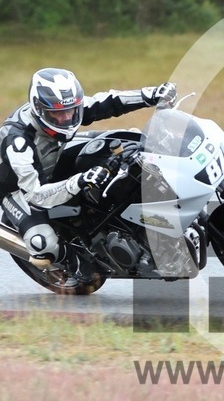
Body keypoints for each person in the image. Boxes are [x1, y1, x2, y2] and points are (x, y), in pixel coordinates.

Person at [0, 67, 176, 283]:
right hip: (19, 189)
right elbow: (36, 195)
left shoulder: (64, 108)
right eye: (58, 114)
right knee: (42, 243)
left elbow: (108, 101)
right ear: (39, 109)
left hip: (54, 155)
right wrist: (78, 181)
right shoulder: (17, 142)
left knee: (128, 143)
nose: (67, 118)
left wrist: (150, 95)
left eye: (71, 111)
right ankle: (74, 263)